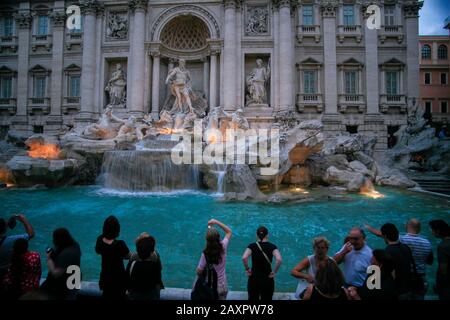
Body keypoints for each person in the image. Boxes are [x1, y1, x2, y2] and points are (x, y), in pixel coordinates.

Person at [366, 219, 433, 299]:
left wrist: (368, 227)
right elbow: (430, 261)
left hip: (402, 284)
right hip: (419, 279)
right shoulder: (427, 243)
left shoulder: (402, 240)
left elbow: (391, 273)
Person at [242, 226, 282, 301]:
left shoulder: (252, 246)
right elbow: (279, 259)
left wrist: (247, 269)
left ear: (256, 235)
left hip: (254, 278)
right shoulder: (272, 246)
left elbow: (244, 257)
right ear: (267, 235)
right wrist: (274, 271)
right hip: (267, 278)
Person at [376, 223, 416, 300]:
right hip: (408, 289)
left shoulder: (388, 251)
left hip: (396, 291)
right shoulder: (406, 247)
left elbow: (391, 275)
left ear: (385, 236)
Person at [95, 215, 131, 299]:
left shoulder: (99, 240)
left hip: (105, 277)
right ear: (117, 229)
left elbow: (98, 251)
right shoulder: (120, 244)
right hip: (119, 279)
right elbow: (128, 256)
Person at [40, 228, 81, 300]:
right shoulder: (75, 245)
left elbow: (56, 273)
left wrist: (49, 259)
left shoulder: (66, 254)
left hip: (65, 285)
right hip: (75, 280)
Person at [196, 219, 232, 300]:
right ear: (219, 238)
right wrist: (216, 222)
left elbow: (199, 271)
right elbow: (229, 232)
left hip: (210, 286)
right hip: (222, 285)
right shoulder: (223, 247)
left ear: (207, 240)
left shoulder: (205, 254)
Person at [126, 235, 163, 300]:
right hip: (151, 296)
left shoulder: (132, 264)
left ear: (137, 251)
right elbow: (158, 280)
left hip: (135, 296)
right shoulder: (155, 265)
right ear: (151, 252)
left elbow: (127, 279)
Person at [0, 214, 35, 281]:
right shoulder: (10, 240)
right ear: (4, 229)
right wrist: (24, 220)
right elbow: (31, 234)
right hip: (6, 275)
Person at [429, 220, 450, 300]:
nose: (431, 232)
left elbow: (443, 270)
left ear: (437, 231)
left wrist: (439, 284)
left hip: (447, 285)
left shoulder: (443, 246)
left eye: (432, 230)